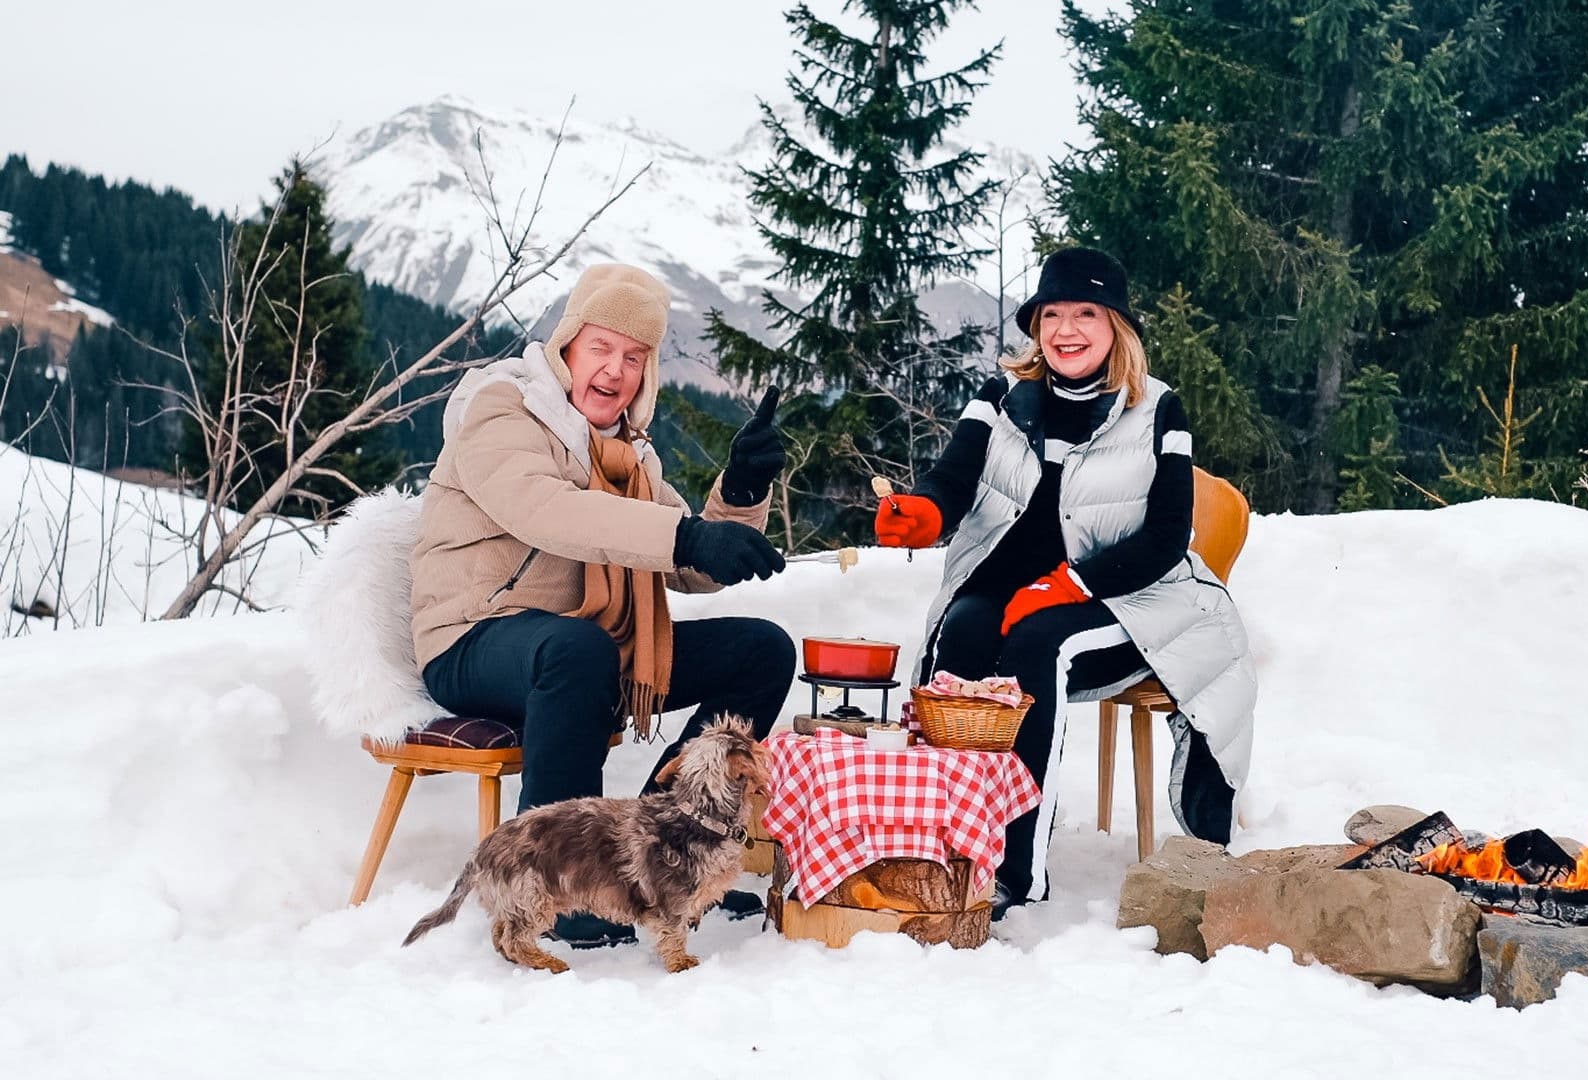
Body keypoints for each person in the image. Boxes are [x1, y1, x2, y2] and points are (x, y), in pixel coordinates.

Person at [409, 263, 796, 946]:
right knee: (576, 648)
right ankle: (560, 884)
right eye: (601, 348)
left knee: (760, 651)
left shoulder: (628, 453)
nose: (615, 371)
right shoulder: (502, 409)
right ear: (566, 348)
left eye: (634, 357)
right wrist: (684, 537)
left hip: (578, 653)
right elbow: (547, 509)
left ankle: (659, 858)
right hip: (472, 640)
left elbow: (687, 567)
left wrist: (739, 492)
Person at [875, 247, 1256, 914]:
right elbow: (954, 479)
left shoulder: (1159, 409)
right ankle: (945, 843)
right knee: (961, 634)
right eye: (1052, 313)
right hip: (1008, 582)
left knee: (1037, 645)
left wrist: (1072, 584)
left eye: (1086, 312)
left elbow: (1167, 538)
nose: (1066, 328)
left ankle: (1014, 873)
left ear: (1117, 326)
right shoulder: (999, 398)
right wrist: (924, 514)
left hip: (1131, 592)